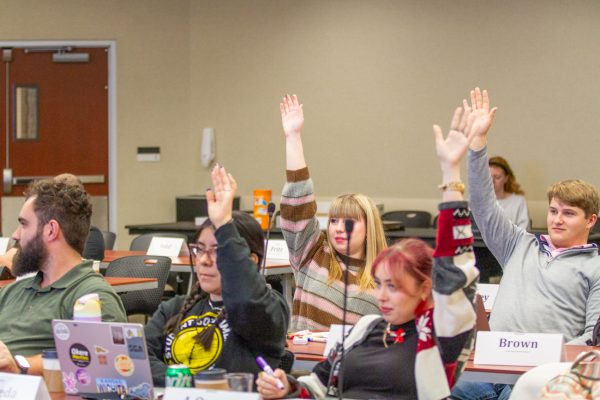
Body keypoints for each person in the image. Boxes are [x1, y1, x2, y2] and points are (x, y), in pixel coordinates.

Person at [256, 105, 479, 400]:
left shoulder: (437, 337)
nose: (381, 295)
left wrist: (451, 176)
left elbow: (457, 272)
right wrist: (288, 387)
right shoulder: (365, 329)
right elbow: (316, 387)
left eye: (393, 287)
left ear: (425, 289)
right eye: (381, 284)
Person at [450, 88, 600, 400]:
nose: (557, 219)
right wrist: (477, 146)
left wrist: (549, 359)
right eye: (554, 210)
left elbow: (591, 339)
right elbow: (482, 205)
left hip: (543, 375)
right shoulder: (520, 244)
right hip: (488, 369)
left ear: (590, 221)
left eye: (569, 213)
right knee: (436, 384)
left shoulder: (595, 266)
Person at [144, 165, 289, 387]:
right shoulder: (175, 308)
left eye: (217, 251)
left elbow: (245, 298)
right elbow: (139, 357)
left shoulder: (267, 310)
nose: (203, 260)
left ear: (250, 261)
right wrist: (191, 384)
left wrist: (224, 224)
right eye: (200, 249)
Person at [279, 94, 388, 331]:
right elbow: (297, 206)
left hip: (351, 367)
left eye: (349, 222)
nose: (338, 228)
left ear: (369, 230)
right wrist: (293, 137)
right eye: (334, 220)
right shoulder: (312, 254)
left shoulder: (385, 281)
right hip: (301, 366)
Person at [0, 178, 126, 375]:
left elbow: (101, 362)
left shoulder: (91, 297)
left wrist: (19, 366)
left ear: (51, 230)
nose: (15, 235)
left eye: (24, 224)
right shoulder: (12, 292)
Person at [488, 155, 529, 229]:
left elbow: (524, 232)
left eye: (497, 177)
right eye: (489, 177)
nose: (492, 181)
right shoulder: (478, 202)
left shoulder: (518, 202)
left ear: (506, 179)